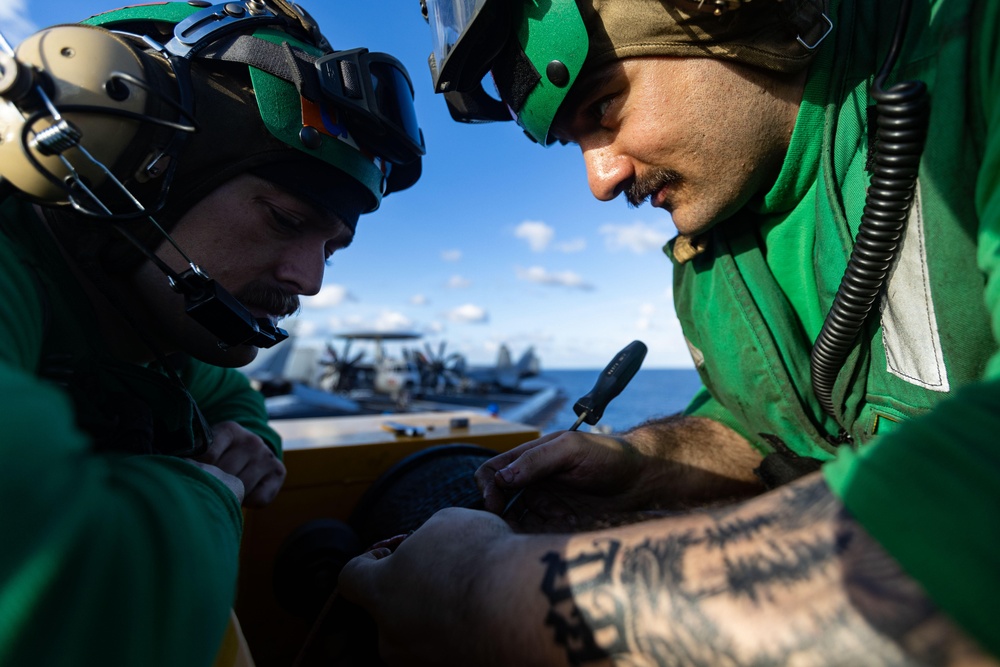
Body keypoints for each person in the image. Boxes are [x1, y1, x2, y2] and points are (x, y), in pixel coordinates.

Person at [338, 0, 1000, 664]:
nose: (600, 181)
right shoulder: (709, 254)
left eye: (602, 108)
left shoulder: (977, 50)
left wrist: (478, 591)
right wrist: (645, 462)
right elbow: (769, 430)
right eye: (576, 142)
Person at [0, 1, 423, 664]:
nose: (310, 280)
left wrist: (249, 439)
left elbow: (227, 395)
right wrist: (209, 492)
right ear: (133, 157)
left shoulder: (137, 322)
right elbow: (61, 573)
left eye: (331, 247)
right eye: (285, 221)